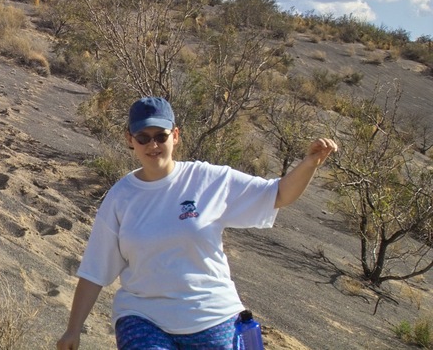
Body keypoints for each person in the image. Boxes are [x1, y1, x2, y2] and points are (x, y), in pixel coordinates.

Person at [56, 96, 338, 350]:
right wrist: (73, 329)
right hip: (142, 316)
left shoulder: (208, 179)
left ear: (175, 136)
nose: (153, 145)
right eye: (143, 137)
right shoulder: (120, 196)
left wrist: (309, 163)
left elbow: (277, 194)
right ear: (130, 139)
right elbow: (95, 269)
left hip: (212, 315)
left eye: (161, 136)